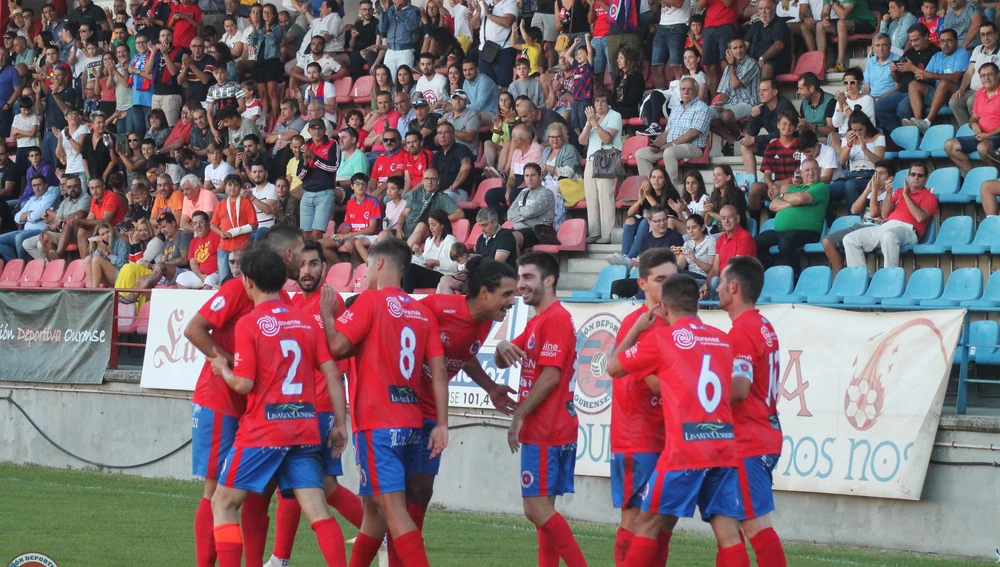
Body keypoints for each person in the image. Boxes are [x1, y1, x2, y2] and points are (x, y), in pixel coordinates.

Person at [206, 245, 348, 567]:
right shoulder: (306, 322)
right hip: (304, 429)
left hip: (263, 431)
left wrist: (222, 370)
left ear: (248, 282)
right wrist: (340, 424)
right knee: (319, 513)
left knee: (223, 504)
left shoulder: (249, 324)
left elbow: (243, 383)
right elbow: (332, 374)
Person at [318, 237, 447, 567]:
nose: (362, 274)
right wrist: (443, 423)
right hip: (412, 421)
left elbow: (337, 347)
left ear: (377, 264)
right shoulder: (421, 311)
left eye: (364, 266)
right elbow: (438, 371)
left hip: (377, 424)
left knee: (392, 511)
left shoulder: (369, 302)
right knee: (373, 513)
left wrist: (329, 316)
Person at [184, 226, 306, 567]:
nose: (305, 259)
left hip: (257, 412)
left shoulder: (281, 299)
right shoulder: (240, 287)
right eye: (300, 252)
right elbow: (194, 329)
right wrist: (228, 360)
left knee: (256, 496)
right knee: (215, 493)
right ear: (286, 256)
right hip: (220, 401)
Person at [609, 273, 750, 567]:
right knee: (728, 533)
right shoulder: (722, 339)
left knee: (646, 523)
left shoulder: (662, 339)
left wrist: (635, 329)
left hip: (685, 448)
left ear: (663, 307)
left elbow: (613, 367)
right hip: (723, 445)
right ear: (698, 303)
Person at [265, 241, 366, 567]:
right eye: (303, 265)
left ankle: (381, 533)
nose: (307, 271)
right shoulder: (299, 301)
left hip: (319, 407)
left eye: (314, 265)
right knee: (301, 486)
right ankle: (280, 558)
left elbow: (336, 350)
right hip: (303, 407)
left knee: (316, 486)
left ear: (325, 268)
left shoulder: (329, 302)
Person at [493, 251, 587, 567]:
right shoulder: (538, 321)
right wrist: (501, 346)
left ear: (550, 280)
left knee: (535, 508)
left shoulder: (556, 319)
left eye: (528, 277)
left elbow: (551, 375)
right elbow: (503, 357)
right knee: (543, 510)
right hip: (550, 425)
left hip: (548, 427)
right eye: (519, 278)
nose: (521, 285)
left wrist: (519, 415)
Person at [607, 248, 678, 562]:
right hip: (639, 437)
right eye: (661, 280)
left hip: (669, 437)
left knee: (664, 522)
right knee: (636, 520)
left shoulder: (677, 325)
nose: (669, 287)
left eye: (674, 280)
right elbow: (655, 384)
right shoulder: (638, 324)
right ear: (642, 284)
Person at [718, 256, 788, 567]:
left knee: (755, 527)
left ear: (733, 287)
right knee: (728, 530)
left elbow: (740, 388)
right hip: (760, 433)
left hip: (749, 440)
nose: (716, 287)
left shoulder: (742, 331)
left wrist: (698, 397)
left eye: (721, 282)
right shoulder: (762, 324)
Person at [842, 161, 938, 270]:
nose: (916, 178)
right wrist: (888, 193)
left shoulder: (929, 196)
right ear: (909, 176)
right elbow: (884, 213)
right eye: (913, 174)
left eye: (920, 175)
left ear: (926, 178)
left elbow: (919, 217)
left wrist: (906, 195)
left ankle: (890, 276)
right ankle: (861, 279)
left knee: (888, 236)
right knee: (849, 239)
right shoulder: (898, 192)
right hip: (887, 226)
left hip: (909, 230)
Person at [755, 158, 828, 273]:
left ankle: (795, 277)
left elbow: (800, 199)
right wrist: (791, 201)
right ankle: (769, 273)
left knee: (786, 243)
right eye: (807, 170)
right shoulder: (794, 188)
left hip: (808, 231)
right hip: (782, 232)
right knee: (755, 242)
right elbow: (773, 205)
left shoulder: (821, 187)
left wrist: (787, 198)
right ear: (802, 173)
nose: (811, 173)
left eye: (814, 169)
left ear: (819, 170)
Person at [635, 78, 710, 188]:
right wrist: (657, 145)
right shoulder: (676, 108)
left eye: (690, 89)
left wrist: (669, 145)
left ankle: (672, 190)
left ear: (697, 91)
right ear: (679, 91)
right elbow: (667, 131)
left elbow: (694, 133)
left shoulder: (701, 108)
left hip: (693, 147)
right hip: (670, 147)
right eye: (683, 89)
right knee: (641, 154)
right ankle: (651, 190)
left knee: (669, 152)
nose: (686, 92)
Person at [823, 160, 894, 271]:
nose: (876, 177)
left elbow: (874, 213)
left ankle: (858, 277)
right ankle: (842, 274)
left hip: (876, 228)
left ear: (890, 178)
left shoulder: (892, 194)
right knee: (827, 242)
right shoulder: (870, 191)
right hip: (860, 225)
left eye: (881, 174)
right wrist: (867, 190)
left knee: (849, 240)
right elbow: (854, 210)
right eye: (875, 173)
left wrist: (874, 191)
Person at [874, 23, 940, 134]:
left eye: (916, 40)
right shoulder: (909, 52)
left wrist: (912, 68)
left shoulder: (936, 52)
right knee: (878, 107)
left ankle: (915, 136)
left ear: (926, 36)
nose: (913, 44)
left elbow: (932, 78)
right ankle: (901, 135)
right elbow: (897, 79)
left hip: (920, 93)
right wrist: (893, 70)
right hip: (902, 92)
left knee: (902, 108)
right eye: (911, 41)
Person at [900, 28, 970, 132]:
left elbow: (956, 78)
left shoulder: (962, 53)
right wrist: (920, 75)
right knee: (913, 84)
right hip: (938, 92)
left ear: (956, 41)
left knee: (943, 83)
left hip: (955, 93)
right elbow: (926, 76)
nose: (945, 44)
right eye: (942, 41)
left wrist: (931, 75)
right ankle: (918, 123)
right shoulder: (937, 56)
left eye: (949, 40)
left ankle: (927, 122)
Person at [580, 93, 622, 244]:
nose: (599, 104)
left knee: (606, 196)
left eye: (603, 101)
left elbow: (607, 138)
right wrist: (590, 123)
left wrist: (595, 124)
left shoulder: (615, 116)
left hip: (607, 157)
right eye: (597, 101)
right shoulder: (593, 117)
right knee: (591, 197)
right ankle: (595, 232)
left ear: (608, 103)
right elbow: (582, 140)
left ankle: (608, 234)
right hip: (591, 159)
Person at [946, 62, 1000, 174]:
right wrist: (974, 124)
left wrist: (988, 135)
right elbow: (974, 117)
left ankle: (996, 177)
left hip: (996, 136)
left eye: (990, 74)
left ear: (998, 75)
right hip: (982, 136)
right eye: (983, 75)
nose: (986, 78)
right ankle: (972, 176)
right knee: (950, 145)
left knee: (983, 148)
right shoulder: (980, 92)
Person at [738, 78, 796, 178]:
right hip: (773, 144)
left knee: (773, 142)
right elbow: (751, 134)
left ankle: (773, 178)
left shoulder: (784, 105)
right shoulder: (762, 108)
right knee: (745, 145)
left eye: (764, 90)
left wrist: (755, 139)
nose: (760, 93)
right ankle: (752, 181)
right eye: (759, 90)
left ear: (774, 92)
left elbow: (783, 132)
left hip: (791, 144)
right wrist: (753, 117)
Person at [747, 111, 801, 215]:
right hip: (775, 183)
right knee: (754, 188)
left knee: (780, 190)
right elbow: (767, 173)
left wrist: (782, 183)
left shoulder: (800, 145)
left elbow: (802, 173)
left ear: (795, 128)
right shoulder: (772, 146)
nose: (787, 127)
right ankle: (755, 222)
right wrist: (770, 185)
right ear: (778, 125)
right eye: (784, 124)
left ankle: (775, 219)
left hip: (794, 184)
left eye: (791, 125)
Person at [297, 117, 341, 241]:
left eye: (319, 128)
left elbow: (333, 167)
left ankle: (318, 259)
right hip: (307, 193)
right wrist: (306, 163)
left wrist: (314, 157)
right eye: (313, 129)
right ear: (309, 131)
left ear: (325, 130)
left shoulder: (333, 144)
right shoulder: (304, 146)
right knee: (306, 235)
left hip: (325, 193)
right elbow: (299, 176)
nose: (316, 131)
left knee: (317, 234)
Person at [397, 167, 463, 249]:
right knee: (384, 234)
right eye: (427, 178)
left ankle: (403, 255)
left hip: (424, 230)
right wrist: (399, 229)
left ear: (438, 181)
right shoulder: (415, 194)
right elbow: (404, 214)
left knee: (421, 225)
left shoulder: (442, 197)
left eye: (433, 179)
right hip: (406, 229)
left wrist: (438, 221)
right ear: (423, 180)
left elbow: (460, 213)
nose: (429, 182)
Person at [322, 172, 381, 263]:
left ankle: (359, 267)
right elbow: (348, 226)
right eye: (357, 184)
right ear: (352, 186)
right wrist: (338, 234)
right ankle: (344, 266)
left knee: (349, 244)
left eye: (363, 184)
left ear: (366, 186)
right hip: (352, 235)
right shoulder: (350, 203)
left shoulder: (373, 202)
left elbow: (371, 229)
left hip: (367, 235)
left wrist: (349, 235)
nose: (360, 186)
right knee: (321, 243)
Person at [830, 111, 885, 206]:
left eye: (860, 129)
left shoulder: (878, 137)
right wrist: (848, 145)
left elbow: (881, 163)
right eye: (854, 130)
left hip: (870, 175)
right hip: (851, 175)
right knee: (826, 191)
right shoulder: (847, 138)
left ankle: (853, 217)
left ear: (867, 126)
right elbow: (842, 161)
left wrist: (865, 149)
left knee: (850, 185)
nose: (857, 133)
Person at [951, 22, 1000, 125]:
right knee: (954, 102)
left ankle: (982, 129)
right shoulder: (978, 49)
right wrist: (962, 88)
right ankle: (967, 130)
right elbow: (969, 72)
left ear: (996, 34)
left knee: (971, 101)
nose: (986, 37)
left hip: (990, 92)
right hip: (972, 90)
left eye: (989, 33)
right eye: (982, 34)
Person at [212, 174, 259, 280]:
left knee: (242, 279)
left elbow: (254, 225)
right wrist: (221, 233)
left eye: (236, 185)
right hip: (224, 246)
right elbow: (213, 224)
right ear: (225, 187)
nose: (233, 188)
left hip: (241, 247)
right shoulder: (221, 204)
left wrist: (235, 231)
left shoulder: (246, 203)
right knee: (224, 278)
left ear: (240, 187)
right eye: (230, 185)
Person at [0, 175, 56, 261]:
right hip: (25, 231)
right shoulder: (32, 199)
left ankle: (24, 264)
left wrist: (27, 216)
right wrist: (30, 215)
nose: (36, 188)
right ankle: (14, 264)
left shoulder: (50, 197)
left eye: (39, 185)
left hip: (41, 231)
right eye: (34, 185)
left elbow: (35, 216)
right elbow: (17, 217)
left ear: (45, 185)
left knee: (19, 237)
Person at [607, 205, 685, 267]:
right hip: (648, 274)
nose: (662, 223)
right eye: (658, 221)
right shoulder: (645, 239)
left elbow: (677, 261)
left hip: (666, 275)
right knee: (617, 284)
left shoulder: (676, 237)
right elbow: (644, 260)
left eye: (664, 220)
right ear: (650, 222)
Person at [402, 208, 460, 291]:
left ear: (442, 225)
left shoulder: (451, 240)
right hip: (431, 275)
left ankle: (405, 300)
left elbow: (455, 267)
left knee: (410, 269)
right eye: (429, 225)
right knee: (403, 269)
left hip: (445, 276)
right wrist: (419, 254)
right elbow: (425, 263)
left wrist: (437, 262)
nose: (431, 228)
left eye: (434, 225)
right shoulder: (429, 240)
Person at [506, 163, 556, 255]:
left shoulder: (546, 193)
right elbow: (509, 215)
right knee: (500, 237)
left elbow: (531, 211)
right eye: (527, 175)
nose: (529, 179)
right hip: (519, 229)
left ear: (540, 176)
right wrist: (525, 214)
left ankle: (515, 268)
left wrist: (518, 215)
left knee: (512, 239)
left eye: (533, 175)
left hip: (537, 232)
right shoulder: (522, 194)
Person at [816, 0, 877, 74]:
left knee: (841, 23)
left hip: (866, 22)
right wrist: (825, 17)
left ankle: (840, 64)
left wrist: (834, 2)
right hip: (848, 22)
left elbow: (843, 15)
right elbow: (825, 10)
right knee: (820, 25)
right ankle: (820, 64)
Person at [744, 0, 792, 79]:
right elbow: (745, 45)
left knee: (766, 67)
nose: (763, 12)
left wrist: (763, 58)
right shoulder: (755, 25)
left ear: (774, 9)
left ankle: (765, 90)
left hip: (776, 61)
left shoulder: (780, 24)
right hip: (756, 61)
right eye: (760, 9)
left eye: (767, 8)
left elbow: (779, 45)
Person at [176, 210, 223, 289]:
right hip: (202, 275)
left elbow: (224, 254)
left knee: (209, 280)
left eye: (201, 222)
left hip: (216, 274)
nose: (198, 225)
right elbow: (193, 262)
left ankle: (204, 301)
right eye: (195, 223)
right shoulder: (194, 242)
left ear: (208, 222)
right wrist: (200, 275)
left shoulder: (216, 234)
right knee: (181, 279)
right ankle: (189, 301)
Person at [377, 0, 422, 78]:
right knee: (388, 79)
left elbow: (411, 27)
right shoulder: (390, 10)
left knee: (403, 79)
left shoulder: (414, 10)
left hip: (405, 50)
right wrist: (384, 11)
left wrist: (399, 12)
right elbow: (382, 29)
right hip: (390, 50)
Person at [431, 122, 474, 202]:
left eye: (446, 132)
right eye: (440, 133)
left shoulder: (461, 149)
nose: (442, 136)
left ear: (453, 134)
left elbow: (466, 167)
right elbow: (433, 175)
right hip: (441, 191)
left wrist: (452, 188)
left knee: (443, 197)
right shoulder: (437, 155)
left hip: (458, 192)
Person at [82, 221, 128, 288]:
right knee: (88, 259)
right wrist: (99, 249)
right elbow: (92, 264)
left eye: (108, 232)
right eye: (103, 234)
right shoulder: (102, 244)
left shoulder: (120, 241)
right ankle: (90, 288)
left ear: (112, 231)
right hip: (107, 277)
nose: (106, 236)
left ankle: (95, 290)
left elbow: (122, 264)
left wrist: (107, 253)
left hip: (120, 276)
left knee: (97, 259)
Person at [676, 214, 717, 282]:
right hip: (690, 276)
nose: (691, 231)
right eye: (688, 228)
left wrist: (694, 259)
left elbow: (711, 269)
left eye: (694, 227)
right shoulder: (687, 243)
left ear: (703, 227)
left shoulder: (711, 241)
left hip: (703, 277)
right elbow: (680, 267)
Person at [864, 34, 902, 105]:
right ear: (873, 48)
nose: (881, 49)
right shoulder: (870, 62)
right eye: (877, 45)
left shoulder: (897, 60)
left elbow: (898, 87)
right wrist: (866, 100)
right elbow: (866, 87)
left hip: (891, 98)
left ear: (890, 46)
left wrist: (878, 98)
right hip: (872, 99)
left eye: (884, 45)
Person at [796, 72, 836, 139]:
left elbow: (831, 130)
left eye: (801, 89)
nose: (798, 92)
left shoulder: (830, 101)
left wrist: (813, 127)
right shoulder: (804, 103)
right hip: (808, 141)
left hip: (826, 141)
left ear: (811, 88)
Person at [462, 57, 499, 122]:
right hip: (477, 112)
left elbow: (479, 105)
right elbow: (465, 100)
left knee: (468, 117)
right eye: (465, 70)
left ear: (477, 69)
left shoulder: (484, 81)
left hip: (492, 113)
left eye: (470, 69)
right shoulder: (466, 82)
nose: (467, 73)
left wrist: (460, 107)